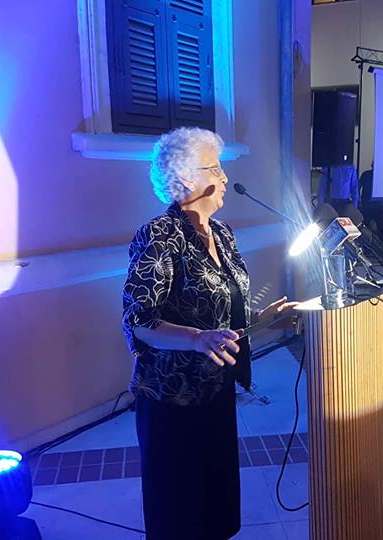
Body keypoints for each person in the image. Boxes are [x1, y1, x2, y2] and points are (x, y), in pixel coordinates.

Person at [122, 127, 298, 540]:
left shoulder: (222, 233)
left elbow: (222, 312)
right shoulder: (159, 235)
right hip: (172, 398)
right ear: (186, 178)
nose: (224, 177)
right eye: (215, 168)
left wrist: (264, 318)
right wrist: (196, 339)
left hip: (216, 390)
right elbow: (140, 320)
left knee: (215, 508)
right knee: (180, 513)